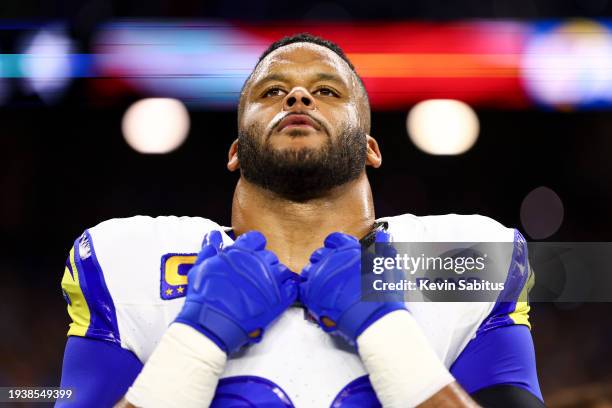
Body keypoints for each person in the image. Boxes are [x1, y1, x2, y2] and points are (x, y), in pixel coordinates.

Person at [57, 33, 543, 407]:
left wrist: (388, 336)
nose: (298, 99)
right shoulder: (123, 259)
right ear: (235, 152)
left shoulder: (462, 259)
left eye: (327, 91)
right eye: (272, 92)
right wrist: (195, 343)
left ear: (371, 148)